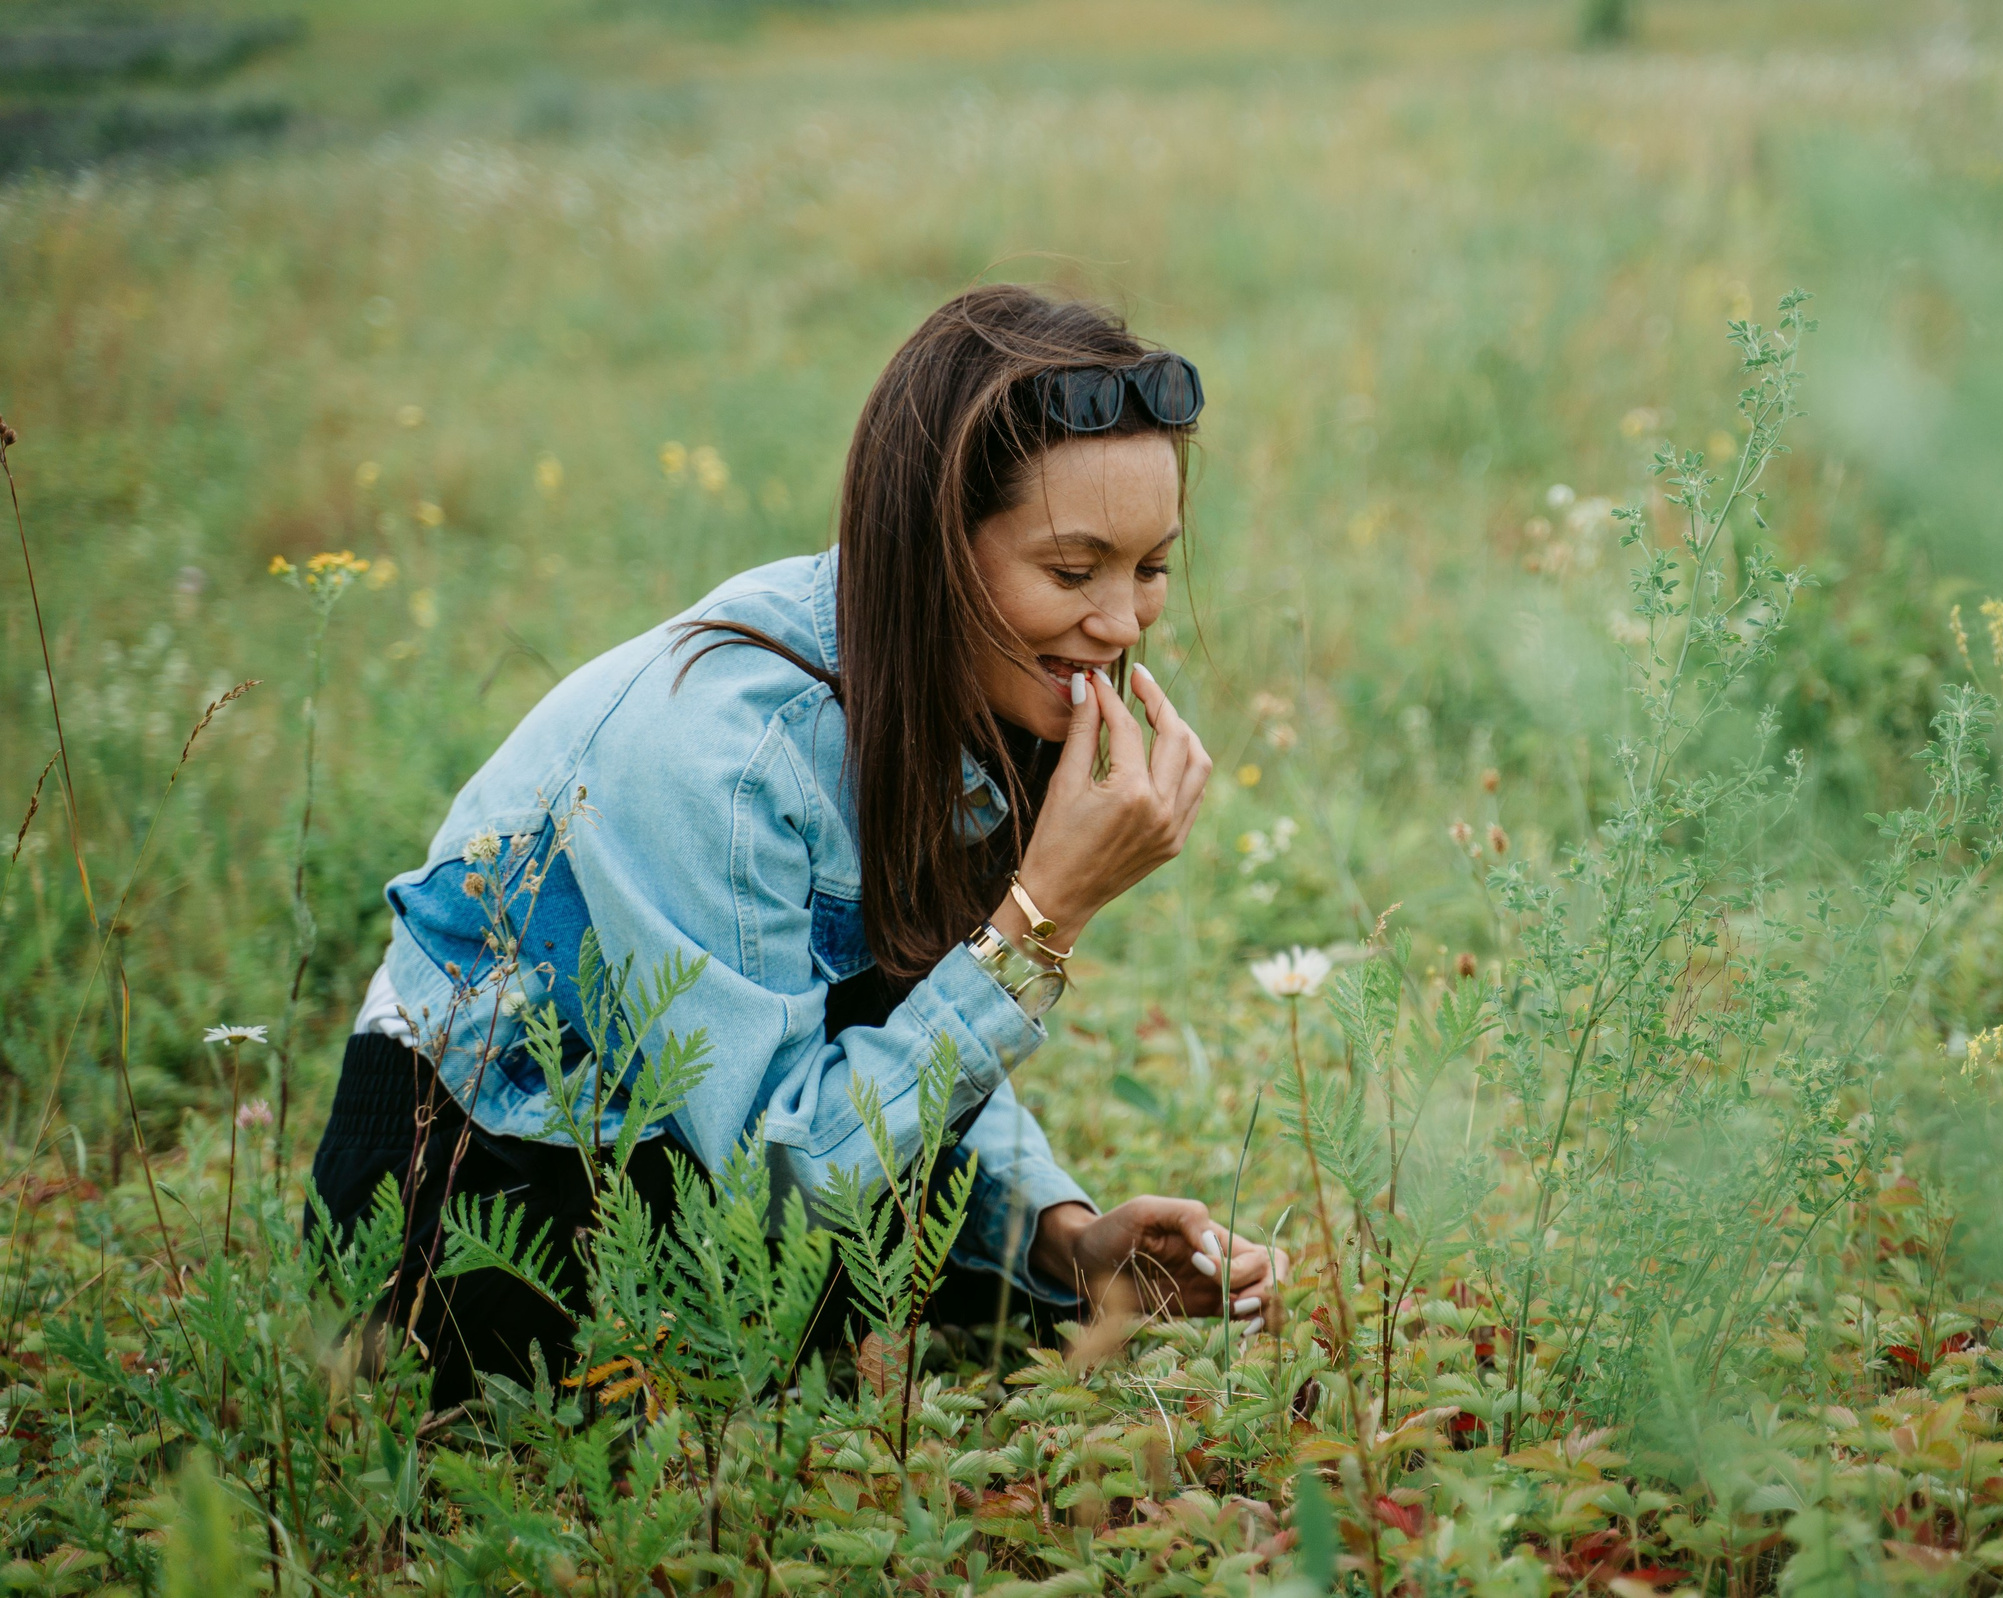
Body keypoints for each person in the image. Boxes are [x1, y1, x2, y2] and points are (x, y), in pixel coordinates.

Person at [307, 285, 1279, 1406]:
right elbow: (783, 1182)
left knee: (857, 1261)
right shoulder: (728, 757)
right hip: (471, 1185)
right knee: (790, 1302)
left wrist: (1061, 1238)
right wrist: (1042, 915)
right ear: (932, 549)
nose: (1120, 623)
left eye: (1150, 567)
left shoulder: (977, 687)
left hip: (683, 1154)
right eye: (1071, 572)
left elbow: (882, 1006)